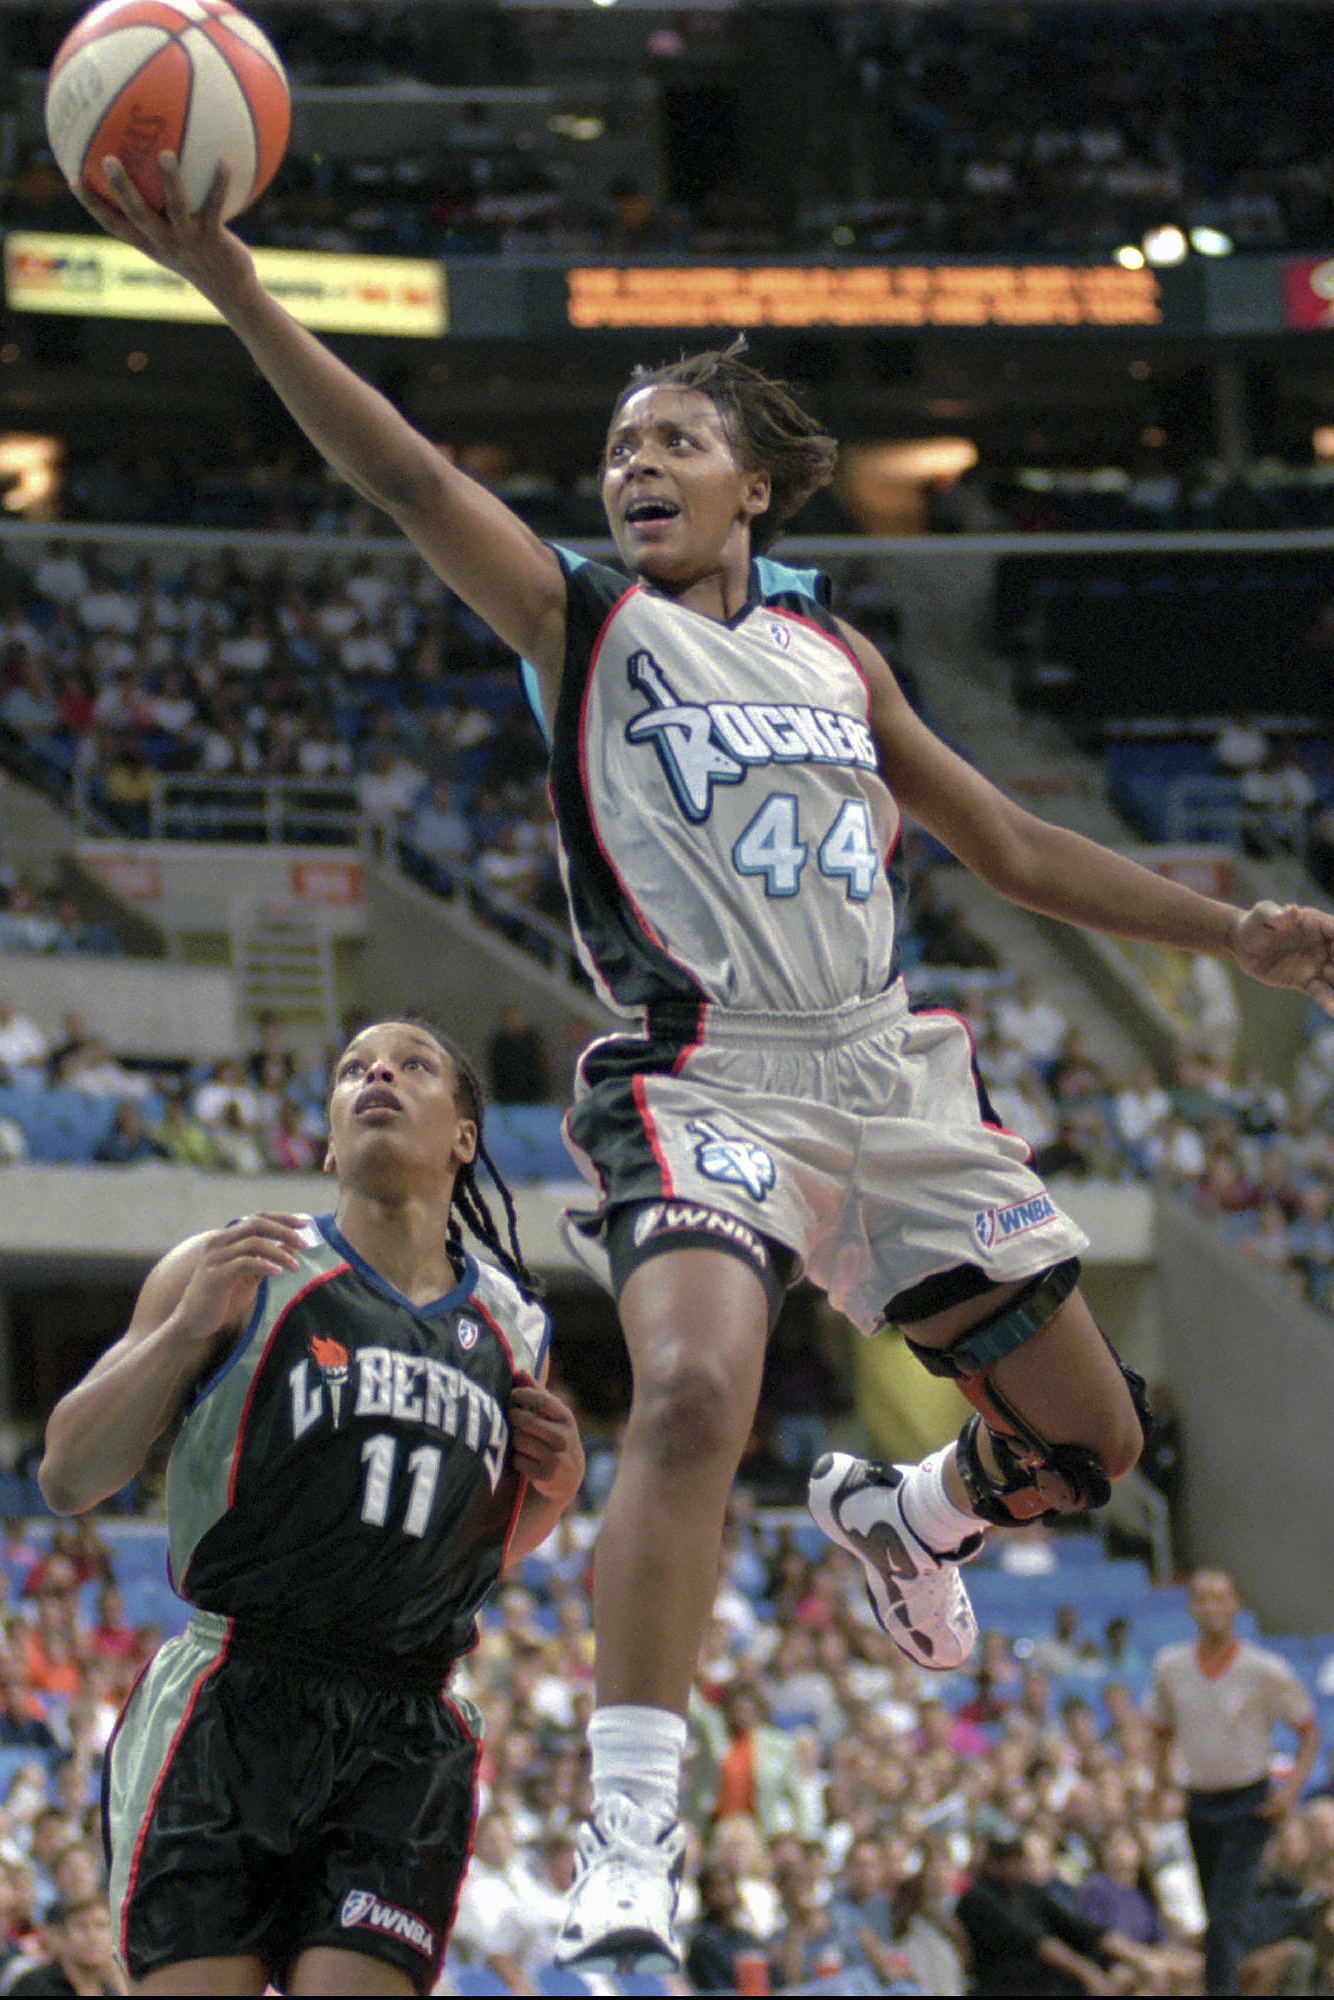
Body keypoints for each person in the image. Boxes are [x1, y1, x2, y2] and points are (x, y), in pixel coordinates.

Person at [77, 149, 1334, 1977]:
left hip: (888, 1077)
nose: (632, 471)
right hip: (701, 1069)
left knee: (1086, 1449)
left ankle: (900, 1516)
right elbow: (406, 472)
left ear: (752, 482)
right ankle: (629, 1845)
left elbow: (1008, 849)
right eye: (615, 454)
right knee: (683, 1398)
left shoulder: (833, 656)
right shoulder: (586, 623)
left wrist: (1223, 930)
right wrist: (232, 281)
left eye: (670, 443)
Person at [36, 1016, 584, 1997]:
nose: (378, 1071)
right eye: (352, 1067)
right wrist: (179, 1337)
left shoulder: (513, 1325)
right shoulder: (242, 1263)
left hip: (405, 1722)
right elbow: (69, 1473)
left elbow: (470, 1554)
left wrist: (556, 1490)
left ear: (463, 1135)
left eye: (413, 1062)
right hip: (235, 1693)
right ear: (329, 1138)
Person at [1148, 1569, 1319, 1997]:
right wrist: (1159, 1785)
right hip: (1199, 1799)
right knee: (1216, 1912)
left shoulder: (1263, 1669)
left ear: (1235, 1605)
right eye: (1202, 1599)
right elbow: (1160, 1731)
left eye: (1220, 1598)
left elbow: (1308, 1732)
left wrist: (1290, 1792)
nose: (1211, 1607)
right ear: (1190, 1607)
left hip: (1248, 1801)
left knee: (1226, 1916)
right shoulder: (1171, 1667)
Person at [4, 1896, 122, 1998]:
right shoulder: (33, 1986)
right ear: (62, 1936)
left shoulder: (111, 1992)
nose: (92, 1936)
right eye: (81, 1927)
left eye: (101, 1926)